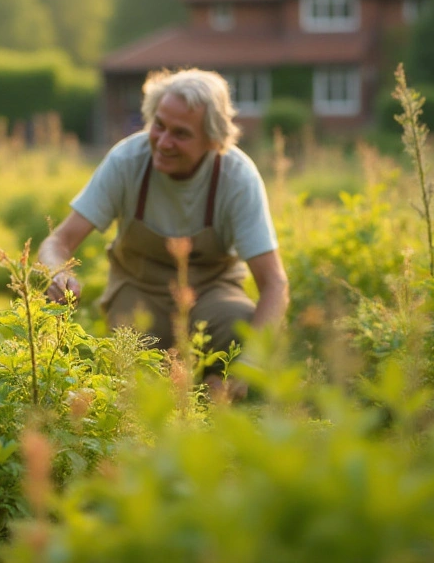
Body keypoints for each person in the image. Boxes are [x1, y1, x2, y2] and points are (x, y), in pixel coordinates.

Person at [38, 68, 288, 395]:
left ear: (213, 140)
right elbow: (59, 240)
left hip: (211, 293)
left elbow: (275, 283)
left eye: (181, 134)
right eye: (159, 125)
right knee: (134, 360)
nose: (163, 142)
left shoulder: (236, 177)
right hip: (137, 289)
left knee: (239, 326)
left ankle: (216, 408)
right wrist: (57, 272)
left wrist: (251, 363)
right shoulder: (128, 160)